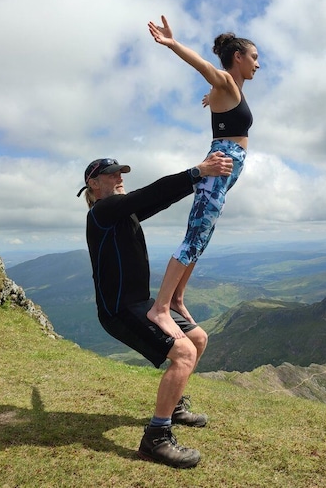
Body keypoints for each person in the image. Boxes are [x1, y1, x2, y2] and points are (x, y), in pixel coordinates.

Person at [78, 151, 233, 469]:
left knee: (198, 339)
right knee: (184, 354)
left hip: (142, 304)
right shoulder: (103, 212)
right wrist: (197, 172)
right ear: (92, 184)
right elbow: (150, 193)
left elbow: (156, 201)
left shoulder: (120, 213)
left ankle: (173, 407)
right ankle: (156, 439)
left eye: (120, 172)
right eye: (111, 174)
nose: (119, 177)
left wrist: (198, 181)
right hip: (119, 311)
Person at [146, 15, 259, 340]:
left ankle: (177, 299)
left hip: (223, 178)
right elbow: (201, 67)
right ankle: (161, 307)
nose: (257, 65)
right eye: (254, 58)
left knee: (202, 239)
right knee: (193, 237)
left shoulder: (228, 89)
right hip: (216, 171)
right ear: (237, 57)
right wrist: (172, 44)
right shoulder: (224, 80)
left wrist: (213, 101)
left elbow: (225, 109)